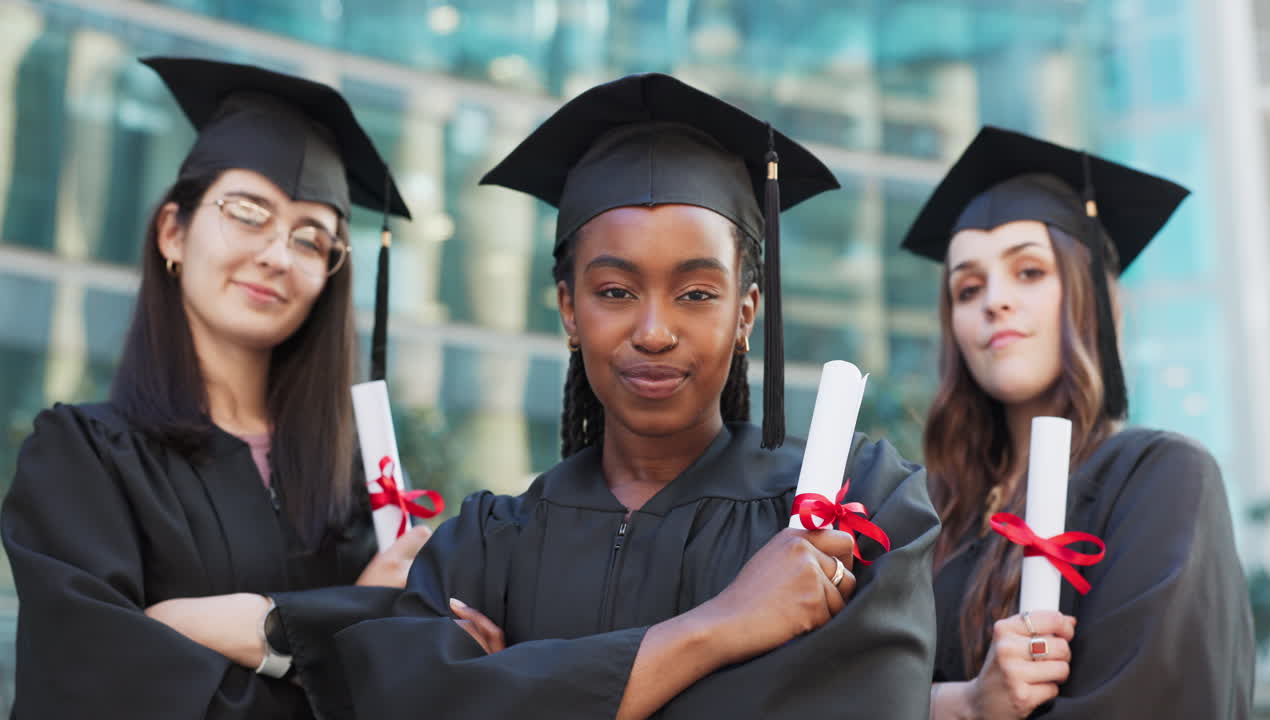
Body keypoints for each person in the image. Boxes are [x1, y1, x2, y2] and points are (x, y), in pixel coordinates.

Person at [271, 73, 940, 720]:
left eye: (697, 293)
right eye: (615, 292)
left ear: (746, 312)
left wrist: (519, 687)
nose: (654, 332)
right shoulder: (484, 545)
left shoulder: (849, 510)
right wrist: (723, 626)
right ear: (568, 308)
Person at [0, 57, 432, 719]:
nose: (278, 255)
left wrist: (258, 626)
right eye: (247, 213)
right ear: (173, 232)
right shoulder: (82, 460)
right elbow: (99, 691)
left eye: (312, 239)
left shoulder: (356, 486)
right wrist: (337, 636)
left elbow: (417, 680)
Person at [900, 126, 1255, 719]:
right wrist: (963, 704)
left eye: (1030, 272)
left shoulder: (1157, 479)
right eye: (967, 288)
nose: (995, 301)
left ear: (1090, 296)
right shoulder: (930, 512)